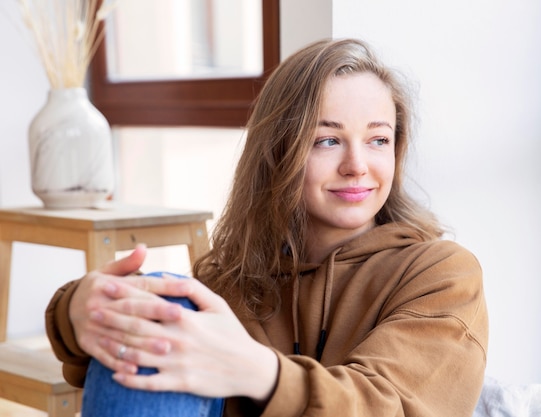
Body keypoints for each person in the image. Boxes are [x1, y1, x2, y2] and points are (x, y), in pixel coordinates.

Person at [45, 38, 488, 417]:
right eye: (327, 140)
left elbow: (388, 406)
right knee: (164, 299)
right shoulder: (230, 279)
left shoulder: (441, 273)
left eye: (378, 140)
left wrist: (254, 369)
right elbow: (118, 372)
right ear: (280, 151)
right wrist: (76, 311)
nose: (357, 166)